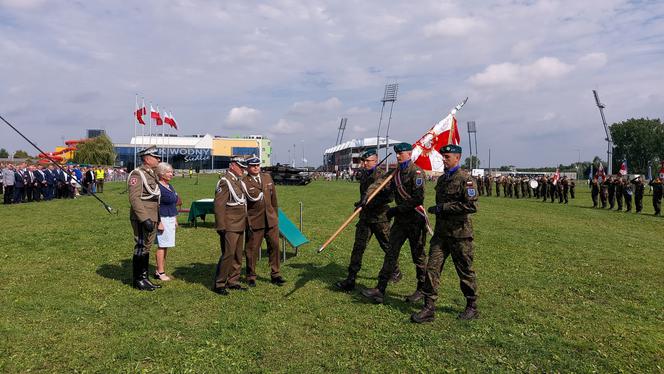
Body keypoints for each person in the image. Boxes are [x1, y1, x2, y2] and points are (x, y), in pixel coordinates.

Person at [412, 144, 479, 323]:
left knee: (465, 270)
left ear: (457, 158)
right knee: (431, 269)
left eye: (447, 157)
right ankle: (428, 308)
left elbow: (472, 205)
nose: (443, 159)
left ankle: (472, 305)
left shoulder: (466, 179)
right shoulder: (442, 180)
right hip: (441, 234)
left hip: (460, 234)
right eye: (443, 156)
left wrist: (443, 208)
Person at [362, 142, 428, 304]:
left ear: (409, 154)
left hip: (414, 221)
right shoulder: (395, 173)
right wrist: (367, 195)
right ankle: (380, 288)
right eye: (397, 153)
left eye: (401, 153)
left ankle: (422, 289)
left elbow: (418, 198)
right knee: (391, 253)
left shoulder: (416, 172)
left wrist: (396, 210)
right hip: (400, 222)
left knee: (418, 257)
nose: (398, 155)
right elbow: (378, 184)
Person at [335, 149, 398, 291]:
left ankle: (395, 270)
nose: (364, 164)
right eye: (363, 161)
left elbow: (389, 197)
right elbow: (365, 194)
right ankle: (351, 279)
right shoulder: (364, 175)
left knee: (388, 246)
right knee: (358, 247)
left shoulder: (383, 176)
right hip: (365, 218)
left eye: (368, 161)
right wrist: (361, 203)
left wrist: (370, 203)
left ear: (376, 161)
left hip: (380, 218)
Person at [242, 156, 286, 287]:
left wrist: (275, 217)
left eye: (258, 165)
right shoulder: (244, 181)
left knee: (275, 246)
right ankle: (251, 276)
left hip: (271, 220)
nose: (256, 167)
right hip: (255, 220)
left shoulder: (267, 178)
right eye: (253, 166)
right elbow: (243, 204)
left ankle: (276, 274)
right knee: (252, 249)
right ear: (248, 167)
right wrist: (247, 221)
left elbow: (274, 200)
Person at [128, 145, 162, 291]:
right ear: (147, 159)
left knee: (147, 246)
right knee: (141, 246)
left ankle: (144, 278)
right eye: (156, 157)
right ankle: (138, 280)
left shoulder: (151, 174)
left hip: (152, 215)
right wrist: (144, 218)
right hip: (142, 217)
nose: (159, 159)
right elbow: (134, 198)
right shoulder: (137, 174)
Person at [213, 157, 249, 295]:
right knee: (228, 254)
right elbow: (219, 205)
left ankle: (233, 280)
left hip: (240, 223)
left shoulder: (236, 181)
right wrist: (221, 225)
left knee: (238, 254)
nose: (243, 170)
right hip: (229, 224)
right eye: (241, 167)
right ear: (233, 165)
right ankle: (220, 283)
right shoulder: (225, 182)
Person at [154, 162, 178, 282]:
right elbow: (155, 206)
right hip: (162, 219)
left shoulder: (170, 186)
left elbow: (174, 203)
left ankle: (159, 269)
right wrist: (159, 222)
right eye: (169, 172)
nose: (171, 174)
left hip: (170, 218)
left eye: (171, 171)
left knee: (166, 245)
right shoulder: (158, 187)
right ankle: (160, 272)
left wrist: (175, 219)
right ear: (162, 173)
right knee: (162, 245)